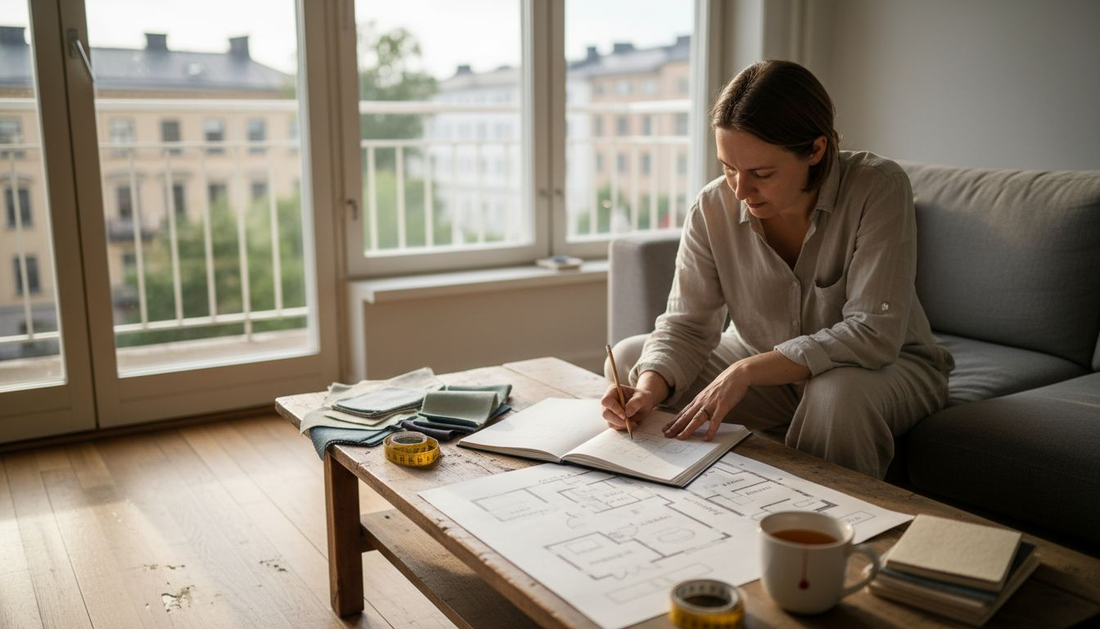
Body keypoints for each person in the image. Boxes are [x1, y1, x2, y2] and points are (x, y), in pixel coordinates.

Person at [600, 60, 954, 479]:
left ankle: (821, 513)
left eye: (761, 173)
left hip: (884, 368)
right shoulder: (712, 207)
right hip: (764, 364)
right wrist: (646, 391)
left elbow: (873, 334)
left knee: (834, 395)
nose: (739, 190)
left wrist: (747, 371)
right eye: (728, 168)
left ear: (816, 150)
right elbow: (687, 325)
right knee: (633, 359)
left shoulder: (877, 187)